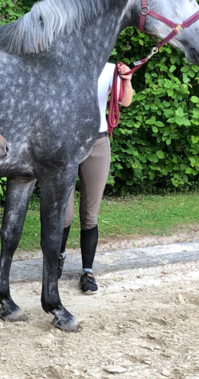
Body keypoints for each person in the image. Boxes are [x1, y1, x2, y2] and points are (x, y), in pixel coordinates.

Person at [58, 62, 134, 294]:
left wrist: (127, 80)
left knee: (90, 214)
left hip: (98, 143)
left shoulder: (111, 69)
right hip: (67, 143)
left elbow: (125, 101)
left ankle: (87, 272)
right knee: (64, 213)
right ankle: (58, 257)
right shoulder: (65, 65)